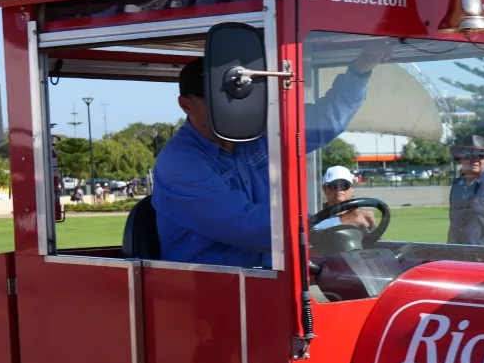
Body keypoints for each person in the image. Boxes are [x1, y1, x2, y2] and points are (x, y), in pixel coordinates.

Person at [152, 43, 387, 267]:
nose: (232, 109)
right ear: (186, 105)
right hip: (211, 287)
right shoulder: (179, 163)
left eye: (238, 100)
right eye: (219, 103)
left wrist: (359, 70)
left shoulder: (258, 135)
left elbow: (324, 122)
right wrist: (335, 222)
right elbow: (248, 227)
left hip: (273, 279)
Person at [312, 165, 376, 231]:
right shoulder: (316, 211)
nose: (339, 189)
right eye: (334, 185)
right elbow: (310, 231)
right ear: (324, 189)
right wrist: (345, 220)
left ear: (351, 189)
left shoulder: (360, 215)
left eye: (345, 185)